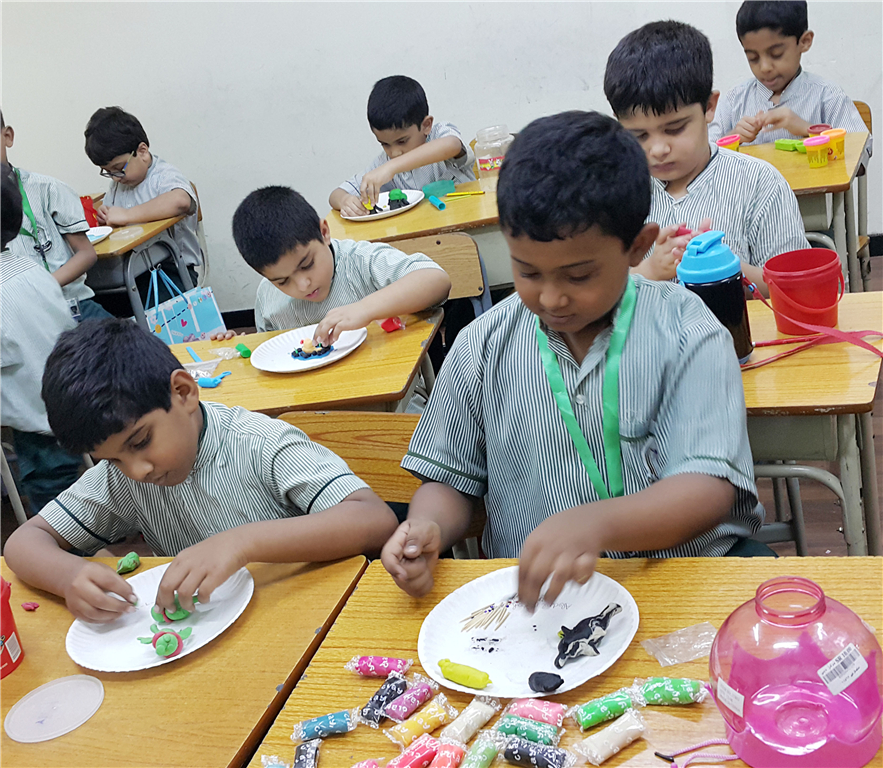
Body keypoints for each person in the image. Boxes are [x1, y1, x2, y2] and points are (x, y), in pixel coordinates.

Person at [381, 111, 763, 606]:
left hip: (680, 585)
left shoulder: (687, 332)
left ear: (638, 247)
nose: (551, 297)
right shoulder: (482, 345)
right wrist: (427, 527)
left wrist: (595, 524)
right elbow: (450, 481)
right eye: (528, 272)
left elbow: (708, 487)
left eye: (579, 276)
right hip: (541, 604)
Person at [4, 318, 398, 623]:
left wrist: (242, 543)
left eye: (140, 442)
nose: (136, 471)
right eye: (112, 459)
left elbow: (374, 519)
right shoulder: (121, 478)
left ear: (184, 392)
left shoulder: (259, 443)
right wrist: (68, 576)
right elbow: (24, 543)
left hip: (316, 621)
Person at [603, 20, 809, 294]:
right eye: (639, 135)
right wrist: (650, 271)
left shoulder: (759, 183)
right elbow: (597, 288)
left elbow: (793, 287)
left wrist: (728, 268)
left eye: (675, 129)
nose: (658, 149)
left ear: (709, 107)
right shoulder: (615, 192)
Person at [231, 186, 451, 345]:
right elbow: (268, 347)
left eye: (307, 265)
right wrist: (233, 347)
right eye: (282, 281)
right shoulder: (267, 295)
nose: (303, 285)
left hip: (389, 387)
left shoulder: (360, 261)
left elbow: (436, 280)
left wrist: (365, 309)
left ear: (324, 232)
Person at [0, 165, 85, 514]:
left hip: (34, 421)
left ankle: (60, 539)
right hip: (70, 398)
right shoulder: (31, 269)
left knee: (50, 502)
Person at [709, 0, 870, 150]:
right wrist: (733, 137)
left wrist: (808, 129)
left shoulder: (827, 95)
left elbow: (861, 151)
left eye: (776, 54)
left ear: (804, 42)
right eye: (753, 58)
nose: (765, 68)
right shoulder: (733, 101)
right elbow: (703, 157)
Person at [0, 108, 110, 321]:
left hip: (72, 306)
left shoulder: (48, 189)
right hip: (18, 319)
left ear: (8, 136)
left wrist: (43, 287)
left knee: (122, 339)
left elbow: (86, 253)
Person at [84, 106, 202, 301]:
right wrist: (106, 217)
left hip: (171, 270)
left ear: (142, 151)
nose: (115, 177)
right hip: (133, 271)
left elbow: (181, 200)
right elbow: (114, 220)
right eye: (108, 172)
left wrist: (127, 215)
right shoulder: (118, 185)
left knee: (152, 311)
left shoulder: (163, 176)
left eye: (118, 168)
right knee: (96, 303)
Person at [329, 76, 475, 218]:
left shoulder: (439, 135)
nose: (394, 153)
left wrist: (391, 168)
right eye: (385, 144)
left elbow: (452, 145)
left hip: (470, 220)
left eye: (402, 141)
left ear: (426, 125)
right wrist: (345, 201)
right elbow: (336, 194)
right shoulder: (383, 163)